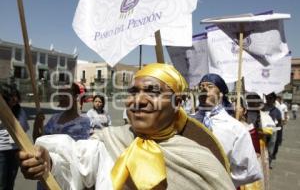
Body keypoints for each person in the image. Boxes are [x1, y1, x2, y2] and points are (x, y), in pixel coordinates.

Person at [18, 63, 235, 190]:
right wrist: (48, 162)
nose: (138, 100)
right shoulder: (109, 141)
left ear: (178, 102)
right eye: (133, 92)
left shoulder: (200, 159)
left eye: (152, 92)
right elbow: (75, 162)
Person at [193, 73, 262, 188]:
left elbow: (249, 171)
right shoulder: (188, 122)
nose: (204, 89)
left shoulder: (236, 128)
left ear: (220, 94)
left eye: (210, 86)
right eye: (201, 87)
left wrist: (220, 182)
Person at [0, 84, 29, 190]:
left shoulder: (19, 111)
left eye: (16, 96)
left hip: (15, 151)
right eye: (11, 96)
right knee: (1, 183)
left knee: (10, 182)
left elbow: (24, 129)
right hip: (1, 151)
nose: (15, 99)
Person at [262, 92, 282, 165]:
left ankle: (268, 163)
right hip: (262, 131)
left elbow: (280, 122)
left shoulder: (277, 111)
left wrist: (276, 129)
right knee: (262, 147)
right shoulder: (262, 108)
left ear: (274, 99)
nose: (268, 99)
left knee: (270, 149)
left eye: (270, 98)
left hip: (272, 131)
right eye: (267, 97)